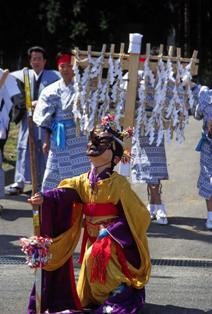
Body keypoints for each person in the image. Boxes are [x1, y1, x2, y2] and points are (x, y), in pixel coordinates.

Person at [27, 115, 151, 313]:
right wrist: (44, 198)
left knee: (94, 257)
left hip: (111, 240)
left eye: (102, 142)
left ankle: (118, 290)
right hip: (93, 237)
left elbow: (141, 215)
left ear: (116, 158)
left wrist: (110, 233)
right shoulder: (83, 181)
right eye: (92, 140)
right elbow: (63, 194)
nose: (93, 144)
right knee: (86, 287)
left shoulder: (119, 184)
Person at [7, 46, 60, 195]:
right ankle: (19, 182)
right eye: (33, 59)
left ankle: (43, 182)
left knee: (44, 148)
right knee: (23, 148)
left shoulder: (54, 76)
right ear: (30, 61)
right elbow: (14, 91)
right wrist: (25, 104)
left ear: (44, 61)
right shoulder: (23, 75)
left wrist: (41, 103)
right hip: (27, 118)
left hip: (44, 120)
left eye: (39, 59)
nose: (36, 61)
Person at [33, 53, 90, 191]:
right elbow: (46, 119)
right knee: (52, 173)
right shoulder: (50, 90)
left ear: (75, 68)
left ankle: (79, 204)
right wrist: (46, 140)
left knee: (81, 173)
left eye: (69, 66)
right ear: (58, 68)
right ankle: (50, 205)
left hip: (79, 136)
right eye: (62, 66)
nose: (65, 69)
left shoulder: (84, 88)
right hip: (58, 137)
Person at [192, 84, 212, 230]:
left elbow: (197, 115)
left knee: (207, 178)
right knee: (207, 178)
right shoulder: (205, 95)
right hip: (208, 144)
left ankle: (211, 217)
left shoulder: (205, 95)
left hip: (208, 144)